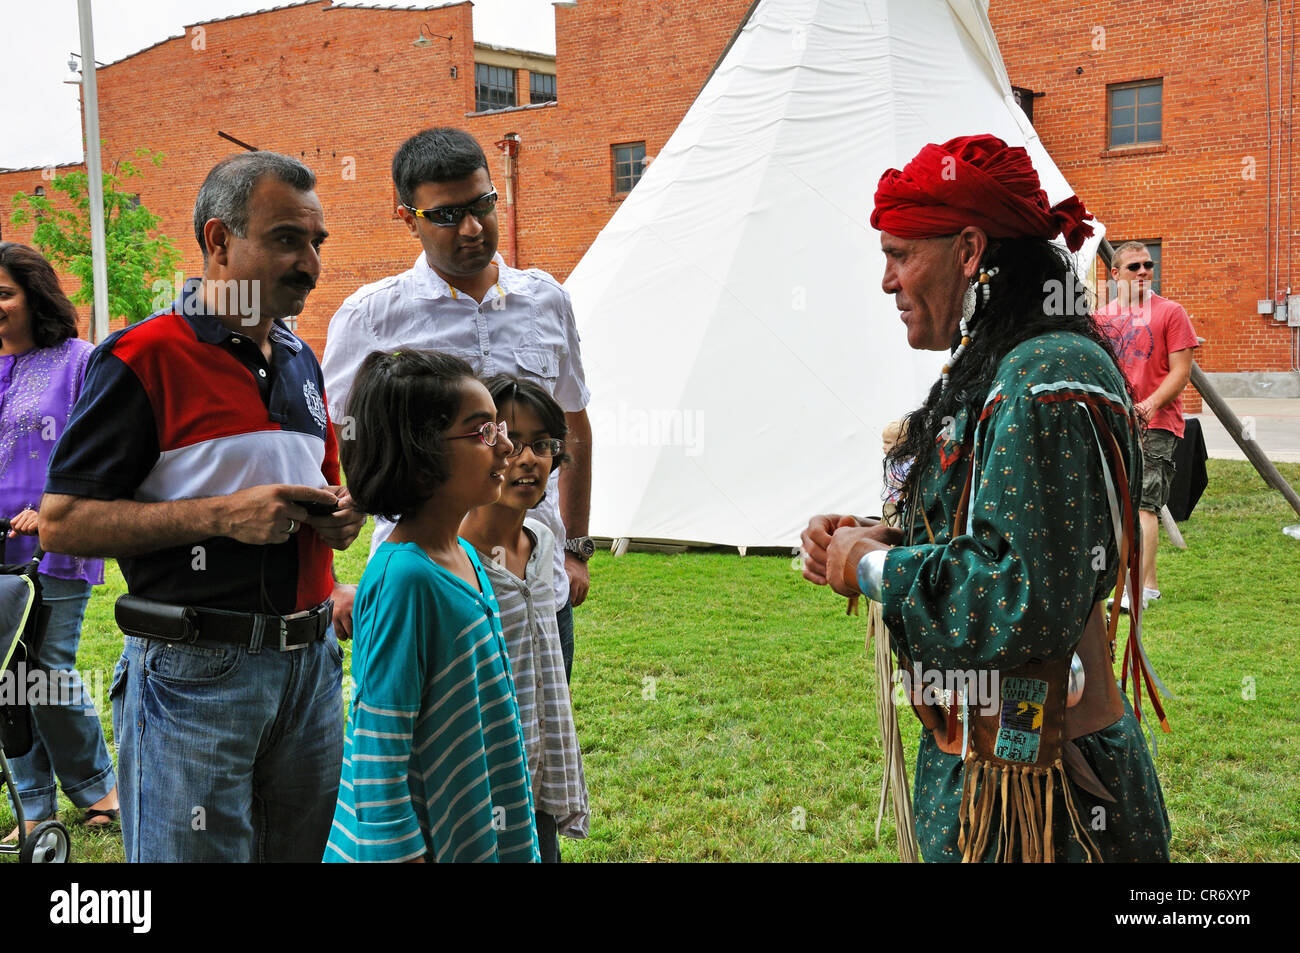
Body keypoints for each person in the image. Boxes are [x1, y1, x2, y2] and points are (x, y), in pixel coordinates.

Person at [801, 135, 1171, 862]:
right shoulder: (1003, 362)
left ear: (970, 250)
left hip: (1049, 796)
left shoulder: (1045, 373)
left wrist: (873, 569)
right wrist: (880, 535)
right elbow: (994, 531)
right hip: (984, 771)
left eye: (901, 253)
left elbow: (1023, 594)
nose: (887, 280)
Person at [38, 152, 365, 862]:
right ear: (218, 240)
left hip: (311, 669)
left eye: (317, 242)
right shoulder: (143, 355)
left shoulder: (300, 359)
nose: (309, 261)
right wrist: (220, 515)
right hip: (195, 676)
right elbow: (62, 521)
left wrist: (341, 516)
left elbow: (327, 489)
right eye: (286, 239)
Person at [322, 127, 593, 682]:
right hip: (424, 578)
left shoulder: (546, 299)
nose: (472, 228)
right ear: (408, 218)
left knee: (539, 747)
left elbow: (574, 426)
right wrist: (325, 583)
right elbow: (329, 443)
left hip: (536, 577)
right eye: (447, 215)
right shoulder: (371, 317)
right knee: (433, 749)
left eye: (483, 205)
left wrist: (576, 548)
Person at [324, 351, 539, 863]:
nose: (507, 446)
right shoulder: (406, 579)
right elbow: (379, 741)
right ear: (419, 455)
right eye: (483, 432)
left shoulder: (462, 553)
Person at [0, 242, 118, 838]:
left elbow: (97, 448)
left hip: (56, 539)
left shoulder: (79, 360)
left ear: (33, 296)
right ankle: (34, 806)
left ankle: (99, 788)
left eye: (3, 292)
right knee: (4, 675)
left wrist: (49, 509)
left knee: (45, 671)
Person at [460, 374, 590, 862]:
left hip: (537, 773)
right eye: (511, 441)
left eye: (542, 444)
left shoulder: (542, 543)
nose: (528, 458)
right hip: (476, 790)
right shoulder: (451, 561)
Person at [1093, 241, 1198, 611]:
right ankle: (1145, 584)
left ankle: (1134, 590)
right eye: (1134, 266)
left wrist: (1149, 405)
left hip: (1157, 422)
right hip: (1114, 424)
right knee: (1115, 505)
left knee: (1144, 505)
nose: (1143, 272)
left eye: (1148, 266)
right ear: (1115, 273)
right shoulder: (1100, 319)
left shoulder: (1171, 313)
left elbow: (1181, 373)